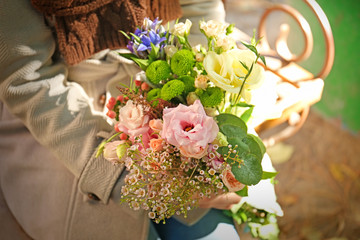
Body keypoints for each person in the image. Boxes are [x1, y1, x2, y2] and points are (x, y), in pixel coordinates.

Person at [0, 0, 251, 239]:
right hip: (67, 131)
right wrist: (115, 175)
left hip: (167, 87)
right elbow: (27, 76)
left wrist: (194, 111)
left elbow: (198, 12)